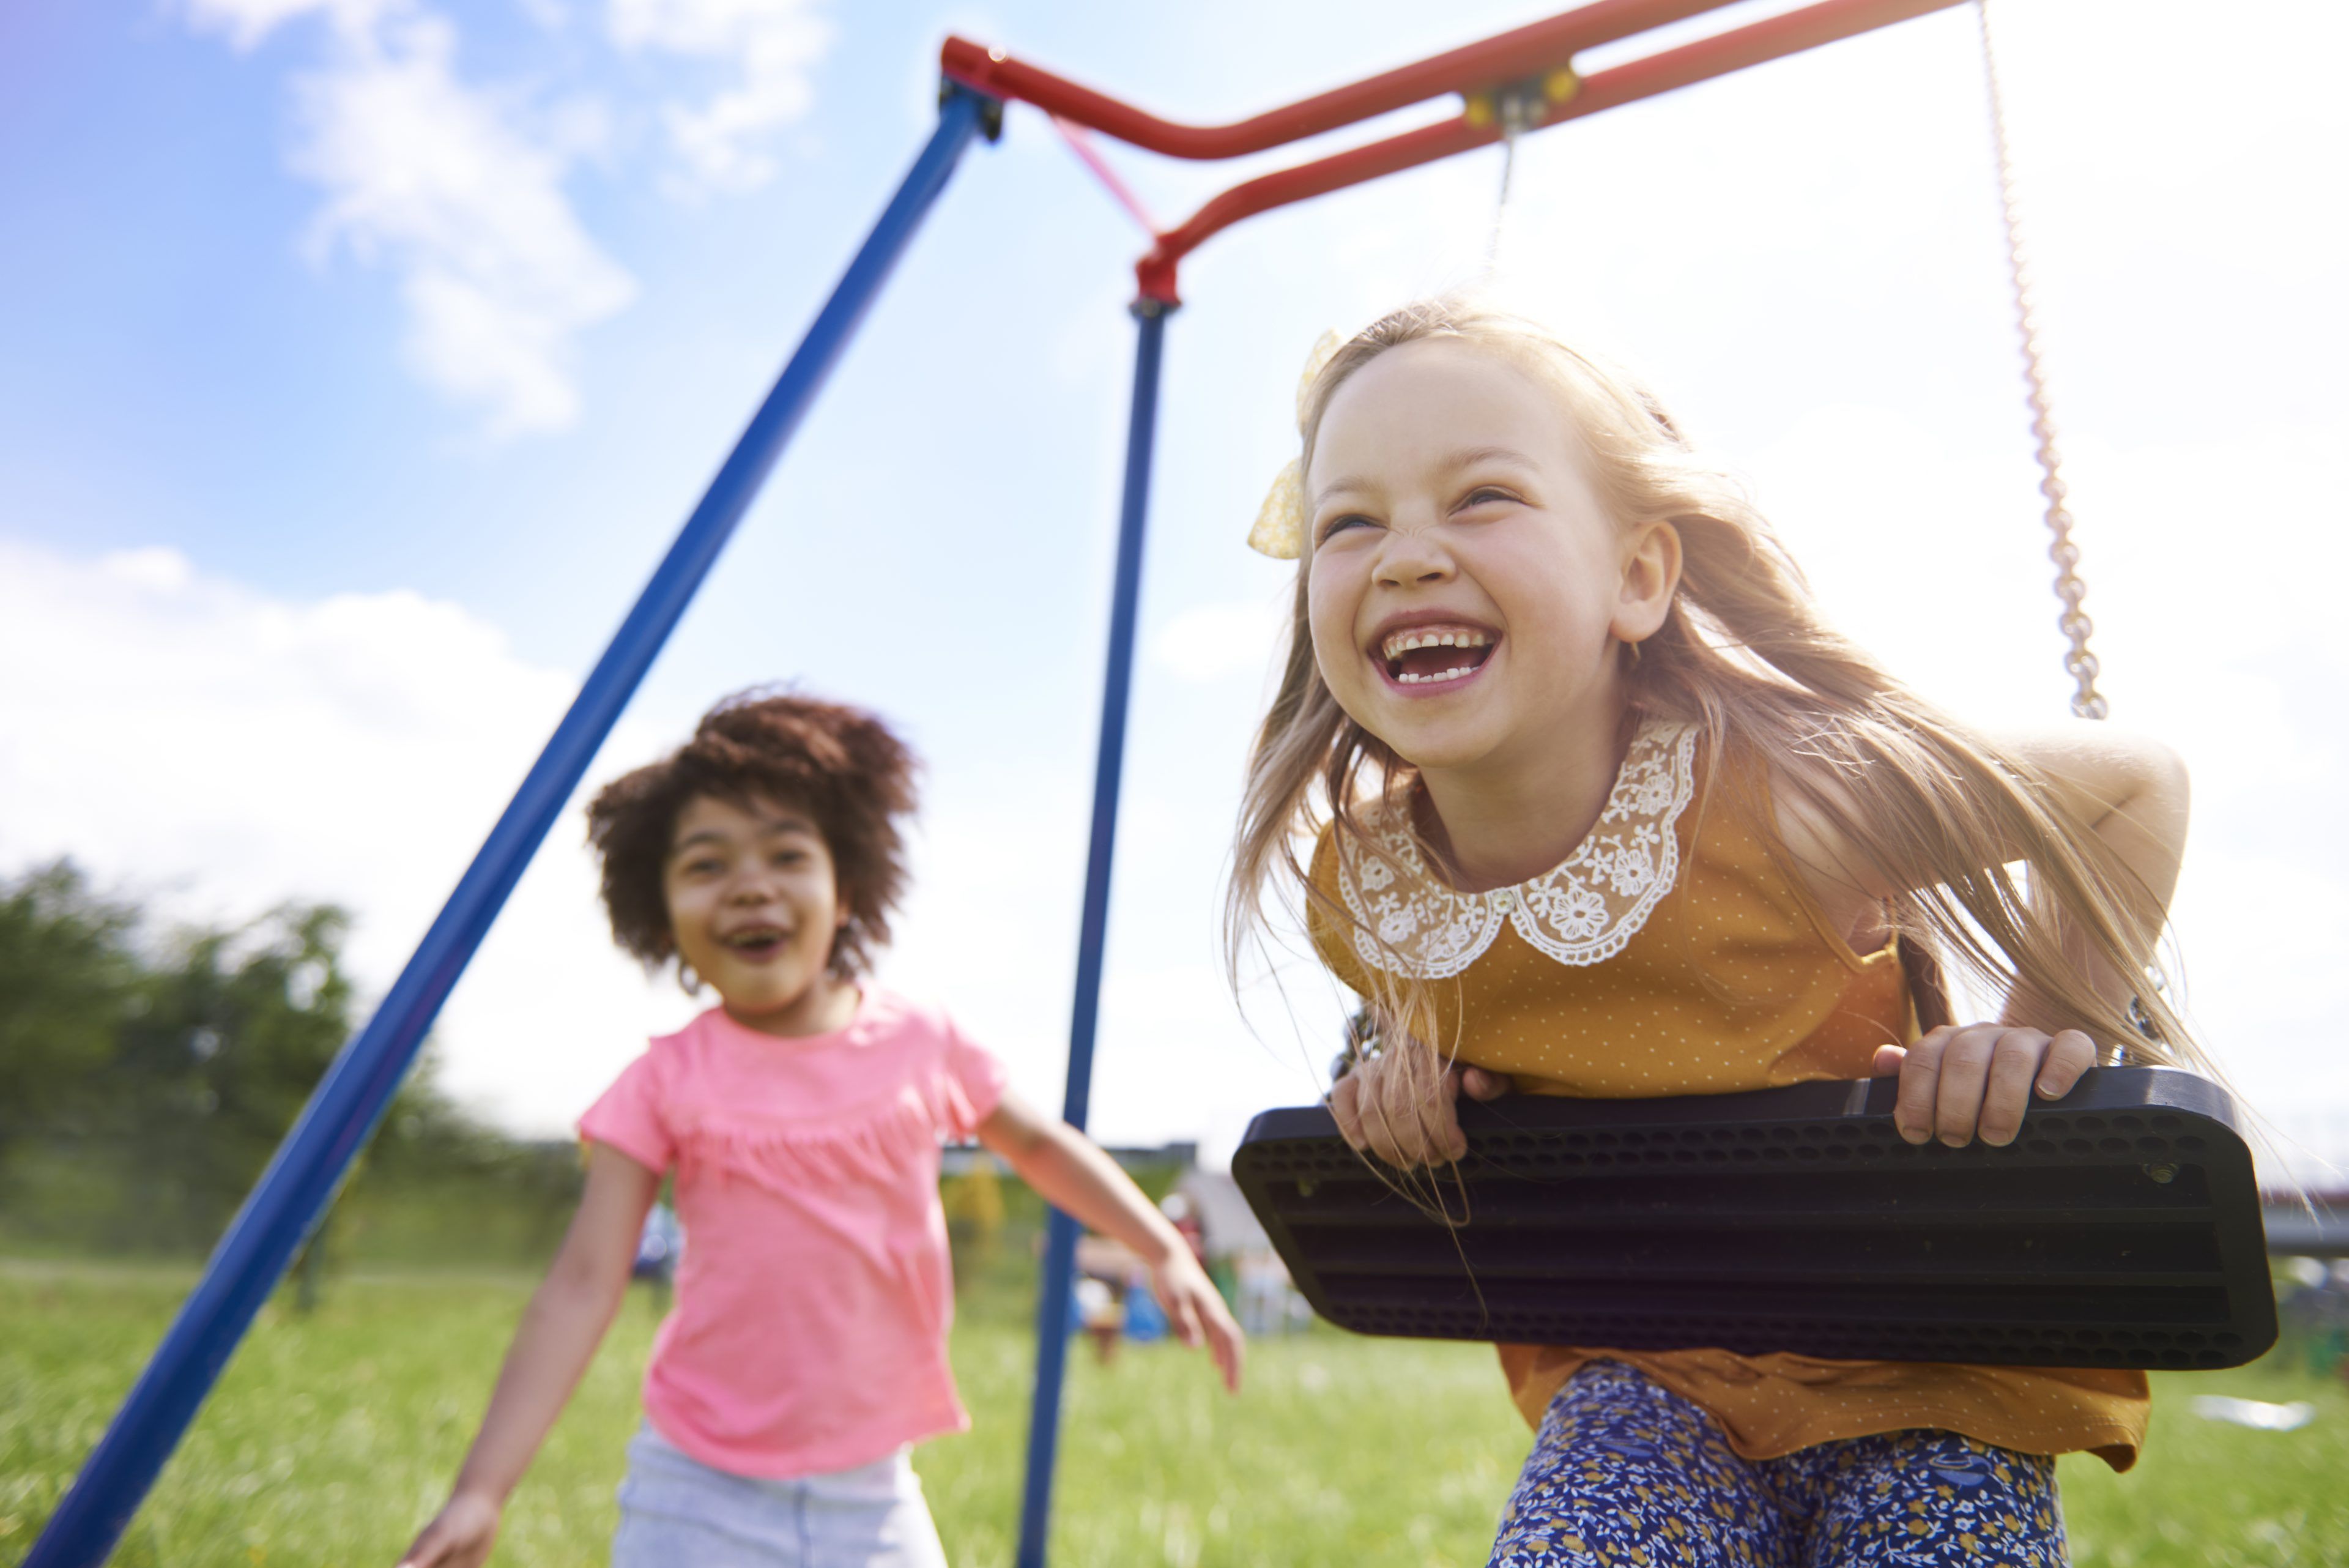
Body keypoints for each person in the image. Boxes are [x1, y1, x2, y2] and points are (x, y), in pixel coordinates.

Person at [1226, 299, 2205, 1567]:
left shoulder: (1781, 803)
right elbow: (1477, 1025)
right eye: (1349, 522)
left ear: (1637, 575)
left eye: (1481, 498)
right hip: (1644, 1370)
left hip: (1926, 1368)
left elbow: (2134, 783)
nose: (1407, 555)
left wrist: (2037, 1036)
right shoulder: (1366, 888)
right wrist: (1407, 1081)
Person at [398, 691, 1242, 1568]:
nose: (751, 884)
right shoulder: (662, 1082)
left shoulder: (920, 1040)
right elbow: (581, 1283)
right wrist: (480, 1492)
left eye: (787, 855)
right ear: (663, 918)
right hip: (694, 1490)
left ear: (846, 891)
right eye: (706, 865)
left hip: (871, 1493)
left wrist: (1161, 1246)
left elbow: (1038, 1145)